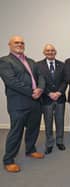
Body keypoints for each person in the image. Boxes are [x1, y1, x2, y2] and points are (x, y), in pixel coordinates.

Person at [0, 36, 45, 172]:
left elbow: (41, 77)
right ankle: (8, 159)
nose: (19, 44)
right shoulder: (4, 61)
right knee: (16, 131)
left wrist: (40, 89)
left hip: (35, 101)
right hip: (18, 104)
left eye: (21, 43)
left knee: (33, 128)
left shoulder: (31, 61)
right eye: (16, 42)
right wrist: (32, 91)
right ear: (10, 45)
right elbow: (12, 82)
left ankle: (30, 150)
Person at [37, 44, 67, 154]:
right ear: (44, 52)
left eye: (52, 50)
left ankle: (59, 141)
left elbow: (65, 81)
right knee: (48, 122)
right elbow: (38, 82)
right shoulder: (38, 65)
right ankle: (49, 143)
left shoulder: (62, 65)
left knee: (60, 121)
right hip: (46, 99)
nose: (50, 52)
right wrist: (49, 93)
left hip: (60, 98)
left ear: (55, 52)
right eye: (48, 50)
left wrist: (59, 92)